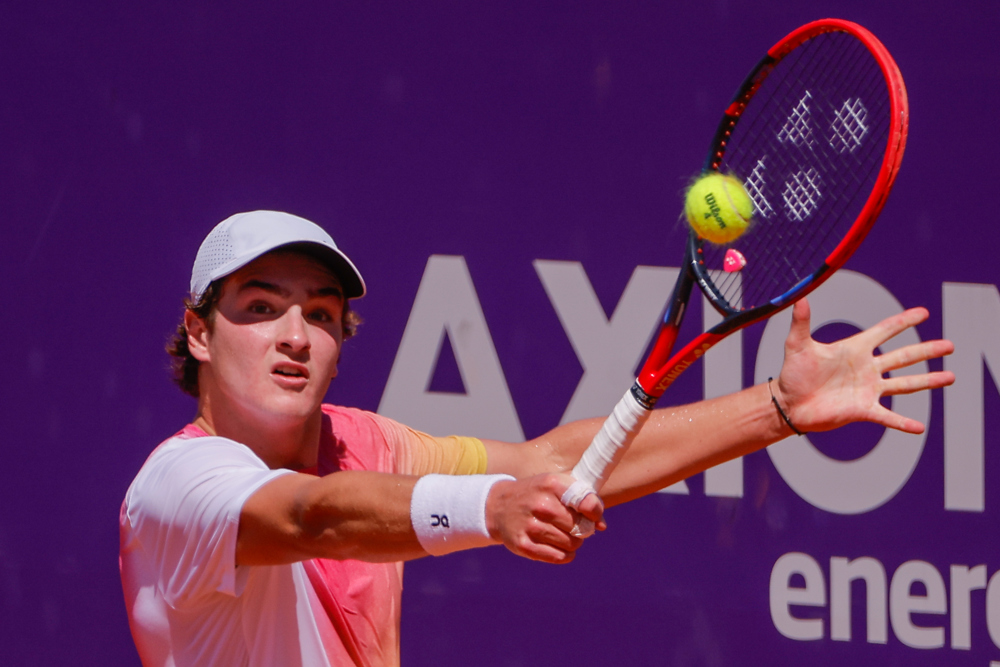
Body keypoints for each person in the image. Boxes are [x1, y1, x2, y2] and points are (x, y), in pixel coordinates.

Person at [119, 210, 954, 667]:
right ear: (199, 332)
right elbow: (311, 517)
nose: (295, 335)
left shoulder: (362, 442)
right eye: (261, 308)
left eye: (322, 315)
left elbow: (547, 462)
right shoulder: (177, 485)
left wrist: (775, 406)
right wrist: (491, 505)